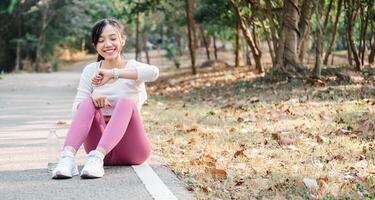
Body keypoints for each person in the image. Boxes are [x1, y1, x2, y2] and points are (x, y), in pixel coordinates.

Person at [52, 18, 159, 179]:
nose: (107, 44)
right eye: (101, 40)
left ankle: (96, 157)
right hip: (98, 146)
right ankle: (67, 158)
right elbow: (77, 107)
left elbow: (153, 73)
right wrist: (93, 97)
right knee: (87, 102)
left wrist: (114, 73)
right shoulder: (90, 70)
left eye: (113, 38)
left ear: (122, 40)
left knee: (126, 103)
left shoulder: (133, 67)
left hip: (132, 150)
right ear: (95, 45)